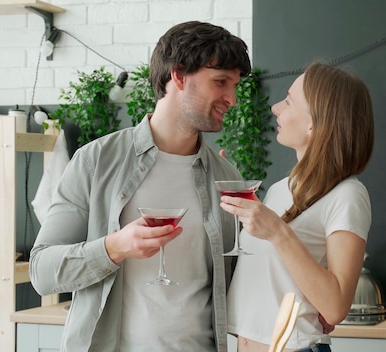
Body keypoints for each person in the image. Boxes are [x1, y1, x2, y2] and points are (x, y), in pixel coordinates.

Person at [29, 21, 251, 352]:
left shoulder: (226, 177)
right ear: (178, 75)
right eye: (220, 82)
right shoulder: (96, 161)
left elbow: (239, 285)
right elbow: (43, 272)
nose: (231, 98)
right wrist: (114, 247)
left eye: (234, 86)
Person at [222, 62, 375, 352]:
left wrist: (278, 232)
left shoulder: (348, 194)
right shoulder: (281, 189)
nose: (275, 108)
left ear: (313, 123)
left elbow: (334, 308)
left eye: (288, 101)